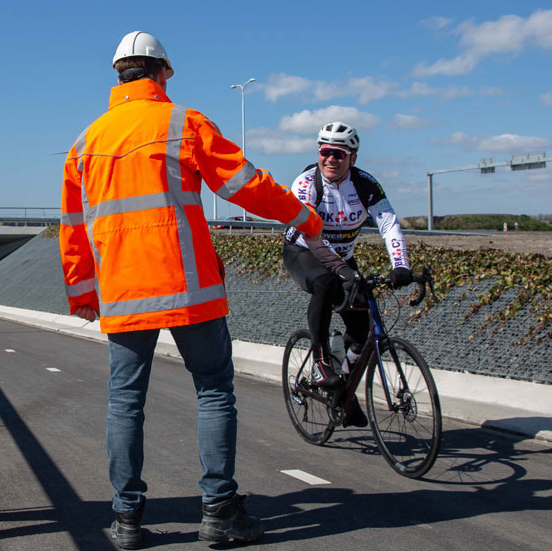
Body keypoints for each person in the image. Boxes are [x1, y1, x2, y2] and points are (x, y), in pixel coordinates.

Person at [59, 31, 324, 549]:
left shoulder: (86, 142)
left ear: (118, 76)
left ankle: (127, 519)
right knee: (213, 390)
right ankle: (219, 511)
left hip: (121, 291)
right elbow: (245, 184)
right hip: (188, 289)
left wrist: (81, 292)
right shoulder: (184, 123)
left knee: (124, 404)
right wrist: (305, 218)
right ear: (163, 72)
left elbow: (73, 224)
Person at [281, 121, 412, 427]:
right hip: (304, 253)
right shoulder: (306, 183)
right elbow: (311, 236)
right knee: (326, 284)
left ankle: (344, 390)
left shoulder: (365, 184)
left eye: (338, 154)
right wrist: (342, 271)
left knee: (363, 326)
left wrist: (401, 265)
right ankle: (320, 362)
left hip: (343, 258)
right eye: (325, 152)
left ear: (352, 157)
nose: (330, 159)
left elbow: (388, 222)